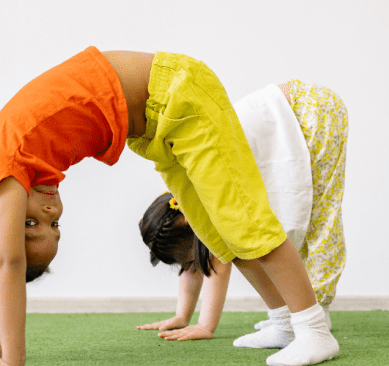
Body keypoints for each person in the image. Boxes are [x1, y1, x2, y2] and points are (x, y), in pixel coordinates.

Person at [0, 50, 337, 366]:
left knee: (245, 221)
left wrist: (12, 360)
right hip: (158, 125)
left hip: (178, 93)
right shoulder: (7, 167)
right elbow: (9, 258)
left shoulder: (2, 169)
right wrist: (0, 344)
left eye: (26, 224)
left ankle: (313, 328)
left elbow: (7, 263)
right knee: (218, 232)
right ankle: (284, 321)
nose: (48, 211)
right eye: (54, 225)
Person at [137, 80, 347, 348]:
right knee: (295, 221)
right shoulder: (187, 196)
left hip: (312, 111)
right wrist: (182, 316)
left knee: (320, 216)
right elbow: (195, 267)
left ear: (189, 224)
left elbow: (219, 261)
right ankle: (298, 314)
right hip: (295, 113)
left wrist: (205, 325)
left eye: (193, 259)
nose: (197, 266)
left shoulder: (206, 197)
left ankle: (316, 313)